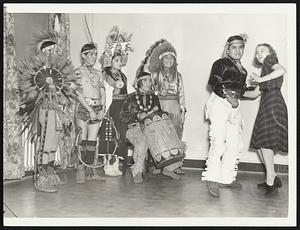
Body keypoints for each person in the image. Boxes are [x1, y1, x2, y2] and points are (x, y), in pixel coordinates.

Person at [17, 31, 75, 193]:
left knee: (54, 142)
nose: (52, 53)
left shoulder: (57, 70)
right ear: (43, 52)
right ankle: (41, 179)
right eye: (49, 50)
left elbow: (65, 90)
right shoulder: (38, 70)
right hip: (46, 109)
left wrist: (63, 104)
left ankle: (50, 174)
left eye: (54, 50)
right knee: (45, 143)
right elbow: (31, 91)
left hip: (57, 110)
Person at [201, 34, 254, 197]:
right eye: (234, 47)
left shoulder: (243, 69)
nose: (238, 50)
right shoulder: (220, 63)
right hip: (219, 103)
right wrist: (229, 97)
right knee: (218, 141)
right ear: (228, 48)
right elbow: (215, 82)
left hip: (233, 106)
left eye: (241, 47)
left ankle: (225, 178)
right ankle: (212, 179)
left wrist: (257, 88)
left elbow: (241, 91)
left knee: (234, 144)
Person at [119, 71, 182, 183]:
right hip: (134, 128)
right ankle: (137, 171)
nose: (149, 83)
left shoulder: (154, 98)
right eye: (145, 80)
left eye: (150, 80)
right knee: (143, 141)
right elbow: (122, 117)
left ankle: (168, 168)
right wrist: (137, 115)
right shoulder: (130, 97)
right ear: (139, 83)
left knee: (166, 136)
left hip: (151, 129)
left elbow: (159, 116)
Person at [249, 43, 288, 196]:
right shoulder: (265, 71)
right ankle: (271, 177)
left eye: (262, 50)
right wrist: (234, 92)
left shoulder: (270, 60)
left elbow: (282, 70)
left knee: (264, 142)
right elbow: (253, 94)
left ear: (270, 52)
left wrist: (260, 79)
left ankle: (271, 180)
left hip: (273, 104)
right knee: (260, 143)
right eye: (257, 51)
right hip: (268, 103)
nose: (259, 53)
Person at [146, 39, 187, 175]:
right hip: (160, 106)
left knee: (175, 135)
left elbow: (181, 94)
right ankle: (159, 165)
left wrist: (183, 111)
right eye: (166, 58)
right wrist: (158, 92)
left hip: (174, 107)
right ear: (161, 60)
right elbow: (148, 91)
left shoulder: (178, 76)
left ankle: (175, 166)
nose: (169, 60)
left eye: (171, 58)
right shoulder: (155, 75)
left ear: (174, 61)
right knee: (160, 136)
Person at [98, 26, 133, 175]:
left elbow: (127, 91)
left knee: (120, 134)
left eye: (120, 60)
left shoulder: (123, 76)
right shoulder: (105, 74)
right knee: (109, 134)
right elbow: (106, 90)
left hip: (121, 107)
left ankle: (117, 164)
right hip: (111, 106)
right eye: (116, 60)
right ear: (110, 61)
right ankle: (108, 165)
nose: (119, 62)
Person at [74, 43, 106, 183]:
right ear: (83, 55)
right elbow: (78, 93)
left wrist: (102, 108)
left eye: (95, 54)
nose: (94, 57)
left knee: (92, 141)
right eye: (91, 54)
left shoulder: (99, 73)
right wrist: (90, 110)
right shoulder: (77, 72)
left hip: (97, 109)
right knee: (82, 139)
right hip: (83, 108)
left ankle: (91, 170)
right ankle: (80, 170)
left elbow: (102, 92)